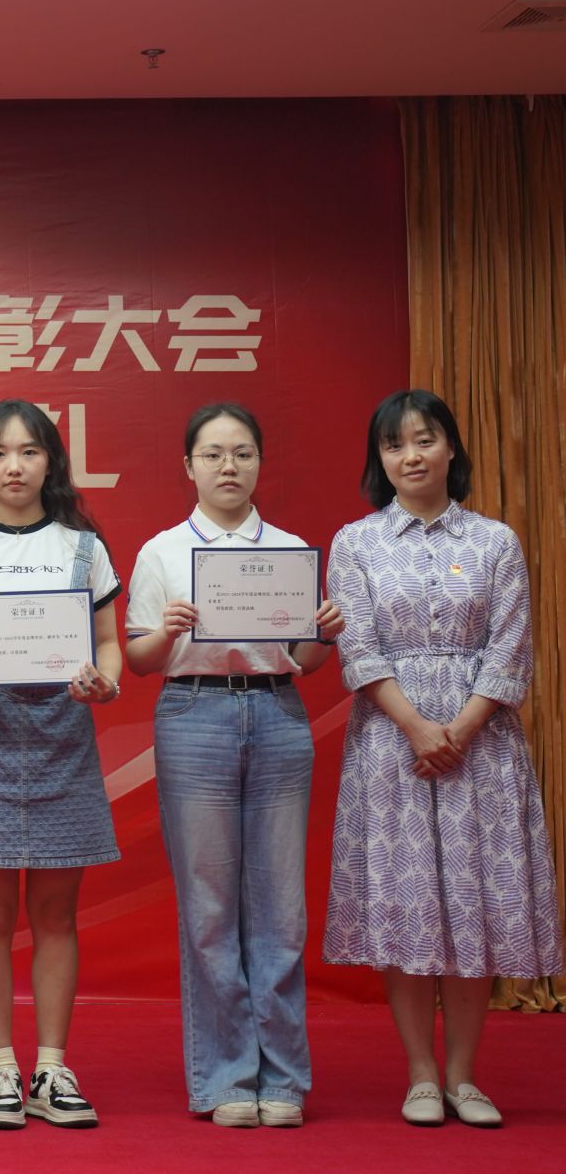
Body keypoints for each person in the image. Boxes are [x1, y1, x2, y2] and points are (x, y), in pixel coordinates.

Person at [324, 389, 562, 1128]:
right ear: (380, 459)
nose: (411, 456)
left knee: (471, 904)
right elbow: (358, 647)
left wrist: (458, 728)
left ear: (450, 447)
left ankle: (464, 1075)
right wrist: (417, 728)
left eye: (424, 439)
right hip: (392, 744)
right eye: (394, 445)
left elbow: (510, 645)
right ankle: (421, 1075)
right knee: (409, 905)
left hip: (480, 744)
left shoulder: (494, 542)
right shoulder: (355, 543)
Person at [125, 403, 344, 1128]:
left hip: (277, 713)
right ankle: (224, 1077)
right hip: (194, 715)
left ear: (259, 464)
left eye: (243, 453)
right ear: (188, 466)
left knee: (281, 904)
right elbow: (139, 659)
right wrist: (167, 631)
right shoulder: (162, 551)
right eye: (213, 454)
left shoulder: (289, 550)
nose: (229, 466)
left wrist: (323, 634)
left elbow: (305, 660)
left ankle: (283, 1078)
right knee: (210, 904)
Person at [0, 399, 122, 1130]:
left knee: (57, 914)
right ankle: (2, 1068)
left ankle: (53, 1068)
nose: (14, 466)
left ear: (51, 463)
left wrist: (104, 681)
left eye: (29, 452)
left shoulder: (83, 547)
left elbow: (108, 642)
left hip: (66, 736)